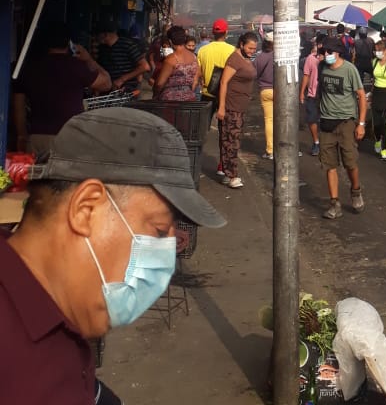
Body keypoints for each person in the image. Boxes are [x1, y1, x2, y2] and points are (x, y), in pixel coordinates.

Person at [0, 107, 225, 404]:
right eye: (158, 229)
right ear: (87, 208)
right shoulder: (17, 367)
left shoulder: (59, 312)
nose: (167, 255)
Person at [12, 21, 112, 157]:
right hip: (69, 136)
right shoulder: (77, 67)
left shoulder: (29, 68)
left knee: (35, 177)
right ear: (69, 43)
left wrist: (21, 136)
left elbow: (19, 107)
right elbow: (106, 83)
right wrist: (89, 59)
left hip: (37, 138)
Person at [317, 36, 367, 219]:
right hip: (326, 122)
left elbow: (361, 96)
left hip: (346, 122)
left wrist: (361, 124)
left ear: (338, 52)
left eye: (329, 52)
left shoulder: (349, 70)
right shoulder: (321, 68)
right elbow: (319, 92)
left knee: (350, 163)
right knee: (329, 165)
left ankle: (355, 191)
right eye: (323, 52)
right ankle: (334, 203)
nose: (326, 55)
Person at [216, 32, 259, 188]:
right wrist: (221, 107)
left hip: (240, 106)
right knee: (231, 142)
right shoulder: (234, 59)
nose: (252, 51)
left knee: (231, 141)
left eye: (254, 49)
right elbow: (223, 82)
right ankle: (232, 175)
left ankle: (227, 173)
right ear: (241, 44)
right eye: (250, 48)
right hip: (231, 106)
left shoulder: (245, 59)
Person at [197, 18, 234, 123]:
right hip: (226, 94)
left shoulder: (202, 50)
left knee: (203, 126)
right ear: (226, 32)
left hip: (207, 93)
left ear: (212, 33)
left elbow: (198, 73)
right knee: (226, 128)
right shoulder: (232, 50)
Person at [97, 23, 149, 93]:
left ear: (105, 35)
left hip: (127, 91)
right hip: (109, 91)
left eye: (97, 35)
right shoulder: (102, 49)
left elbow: (145, 66)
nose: (95, 37)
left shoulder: (127, 45)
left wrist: (122, 79)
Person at [153, 25, 201, 102]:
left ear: (170, 41)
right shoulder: (193, 57)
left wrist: (155, 96)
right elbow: (196, 79)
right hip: (190, 101)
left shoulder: (170, 59)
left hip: (170, 103)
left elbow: (159, 84)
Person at [300, 36, 325, 156]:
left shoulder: (331, 60)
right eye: (319, 45)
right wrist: (301, 92)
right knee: (311, 119)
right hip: (312, 94)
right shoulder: (310, 58)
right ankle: (316, 142)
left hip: (326, 96)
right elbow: (306, 75)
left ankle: (326, 143)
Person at [253, 35, 275, 160]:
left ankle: (270, 150)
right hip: (280, 91)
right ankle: (284, 146)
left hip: (265, 91)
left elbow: (254, 73)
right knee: (283, 119)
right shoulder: (279, 56)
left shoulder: (260, 57)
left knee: (269, 121)